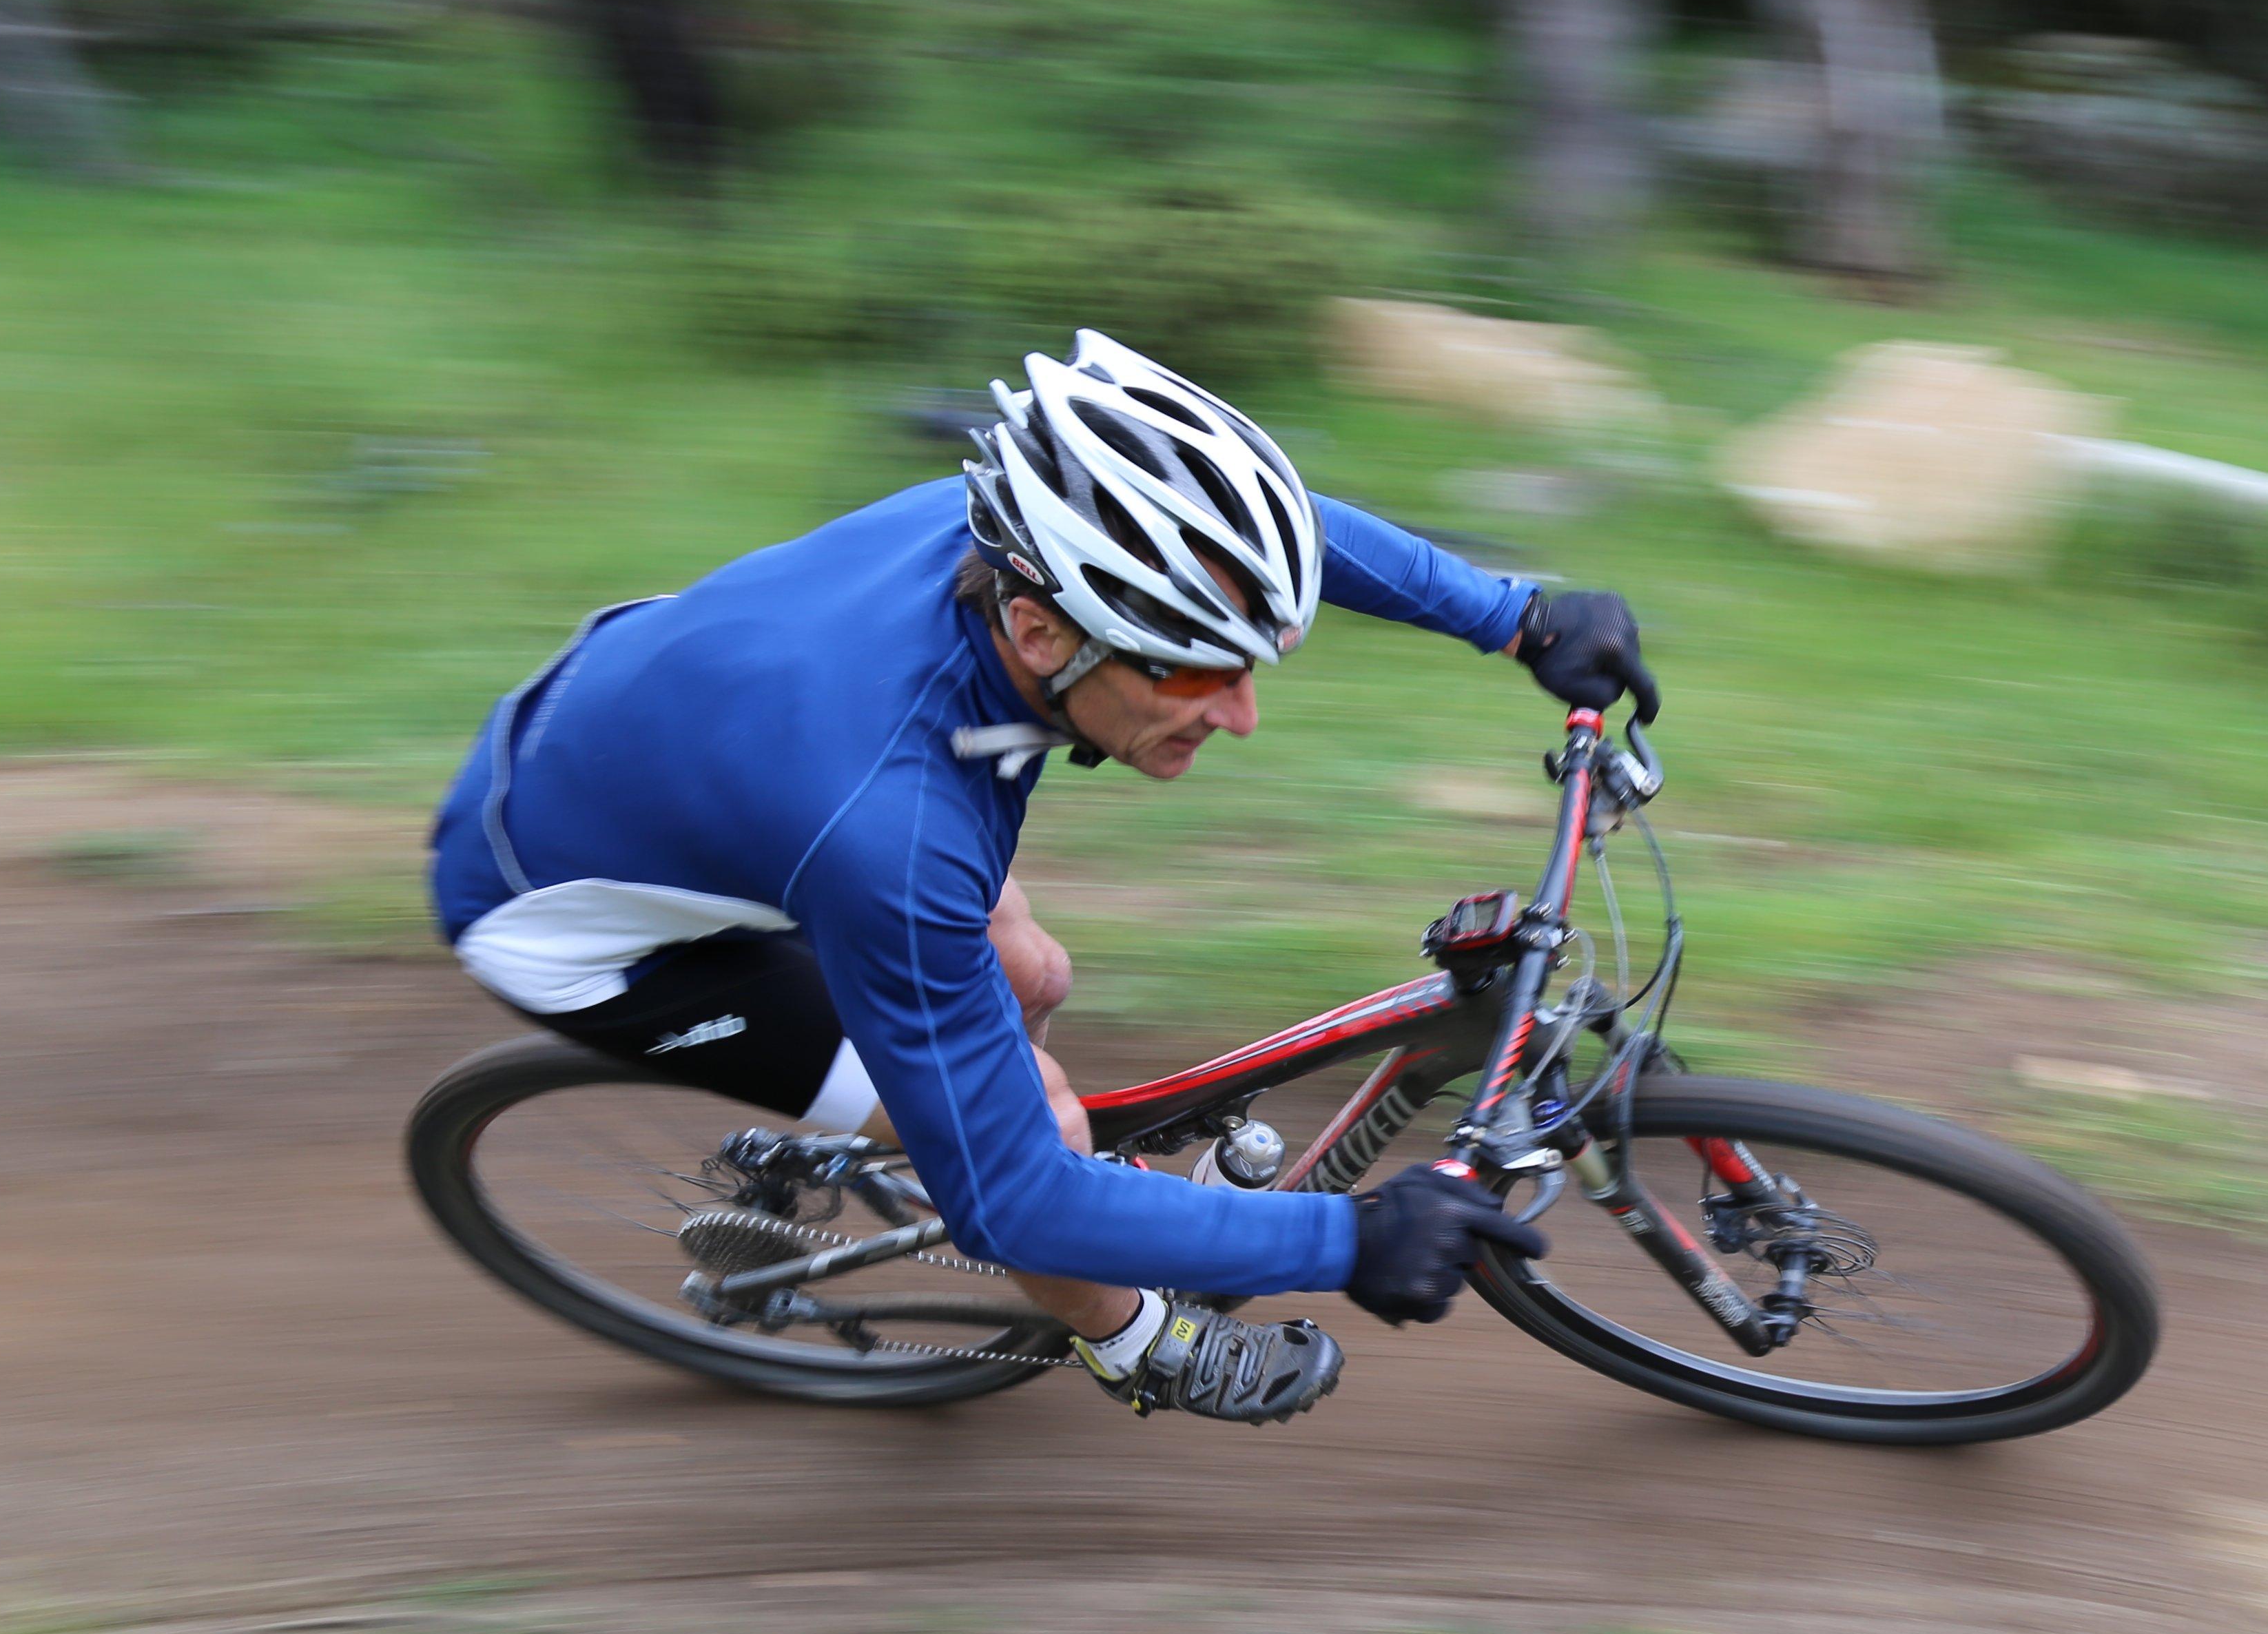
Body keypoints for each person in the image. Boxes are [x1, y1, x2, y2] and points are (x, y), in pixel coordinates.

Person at [428, 330, 1663, 1423]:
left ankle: (905, 1127)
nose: (1239, 717)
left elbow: (1275, 537)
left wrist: (1514, 616)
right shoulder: (894, 834)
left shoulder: (1028, 544)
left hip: (668, 741)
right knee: (1045, 1138)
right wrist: (1343, 1238)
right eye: (1193, 672)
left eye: (1251, 664)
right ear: (1039, 631)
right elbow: (1013, 1197)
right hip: (584, 919)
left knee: (1030, 972)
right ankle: (1133, 1337)